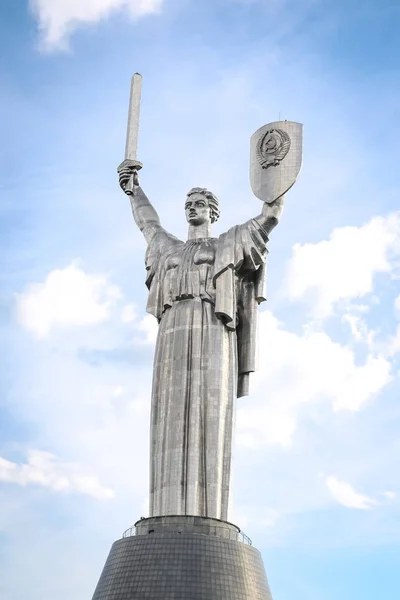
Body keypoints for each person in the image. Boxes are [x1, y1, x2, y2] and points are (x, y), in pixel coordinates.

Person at [119, 163, 283, 521]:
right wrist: (134, 191)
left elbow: (269, 218)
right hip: (173, 329)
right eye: (188, 204)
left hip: (213, 326)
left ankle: (209, 513)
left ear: (212, 211)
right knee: (170, 411)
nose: (192, 208)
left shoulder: (229, 241)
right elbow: (148, 223)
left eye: (199, 203)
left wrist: (277, 183)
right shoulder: (168, 249)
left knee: (210, 410)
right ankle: (166, 511)